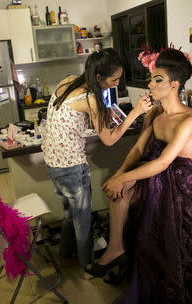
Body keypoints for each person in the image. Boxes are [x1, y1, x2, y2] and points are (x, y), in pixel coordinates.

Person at [88, 48, 192, 303]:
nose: (150, 84)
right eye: (151, 78)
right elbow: (139, 148)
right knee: (120, 190)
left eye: (157, 79)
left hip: (183, 187)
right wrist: (120, 174)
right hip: (158, 174)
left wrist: (125, 178)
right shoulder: (155, 114)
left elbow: (163, 162)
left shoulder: (189, 119)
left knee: (136, 193)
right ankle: (116, 247)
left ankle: (147, 263)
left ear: (174, 84)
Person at [41, 48, 152, 270]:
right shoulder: (91, 99)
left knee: (69, 214)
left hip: (52, 163)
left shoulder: (69, 81)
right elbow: (109, 140)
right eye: (114, 80)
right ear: (99, 77)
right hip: (71, 166)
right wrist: (135, 112)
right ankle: (88, 266)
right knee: (82, 220)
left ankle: (65, 252)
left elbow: (71, 114)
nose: (116, 84)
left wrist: (101, 114)